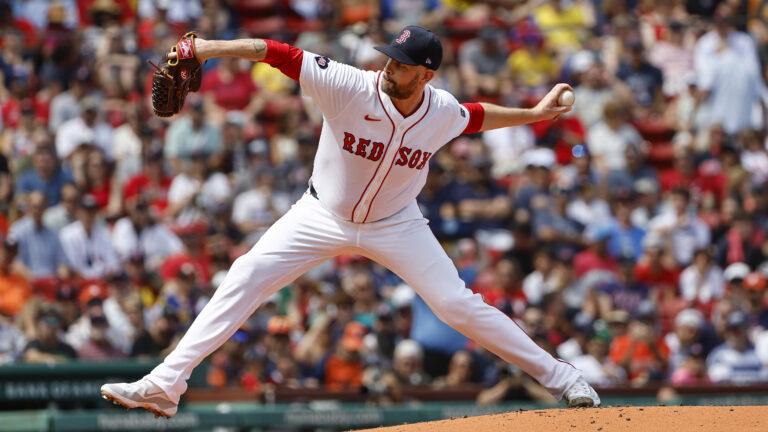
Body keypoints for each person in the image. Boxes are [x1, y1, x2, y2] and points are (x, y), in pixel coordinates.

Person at [101, 26, 600, 418]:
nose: (388, 66)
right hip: (321, 214)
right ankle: (165, 384)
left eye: (401, 64)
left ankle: (564, 379)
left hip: (396, 224)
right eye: (389, 55)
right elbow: (275, 51)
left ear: (425, 76)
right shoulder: (349, 84)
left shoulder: (440, 110)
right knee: (245, 274)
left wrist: (533, 114)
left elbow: (476, 115)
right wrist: (206, 47)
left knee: (456, 304)